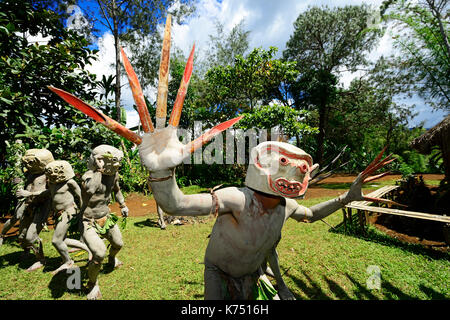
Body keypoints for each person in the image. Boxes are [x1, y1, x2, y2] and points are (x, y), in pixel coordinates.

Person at [79, 145, 128, 300]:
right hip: (88, 221)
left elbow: (117, 190)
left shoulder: (114, 175)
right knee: (99, 253)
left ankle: (112, 259)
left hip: (106, 218)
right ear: (98, 161)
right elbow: (90, 190)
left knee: (118, 244)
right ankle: (92, 284)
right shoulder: (88, 176)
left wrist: (123, 204)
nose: (115, 165)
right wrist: (99, 171)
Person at [3, 149, 54, 271]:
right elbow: (23, 181)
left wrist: (29, 193)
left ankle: (41, 259)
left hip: (41, 207)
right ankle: (26, 251)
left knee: (31, 236)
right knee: (21, 235)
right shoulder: (30, 173)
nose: (27, 165)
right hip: (28, 205)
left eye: (31, 163)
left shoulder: (48, 175)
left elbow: (49, 192)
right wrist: (17, 182)